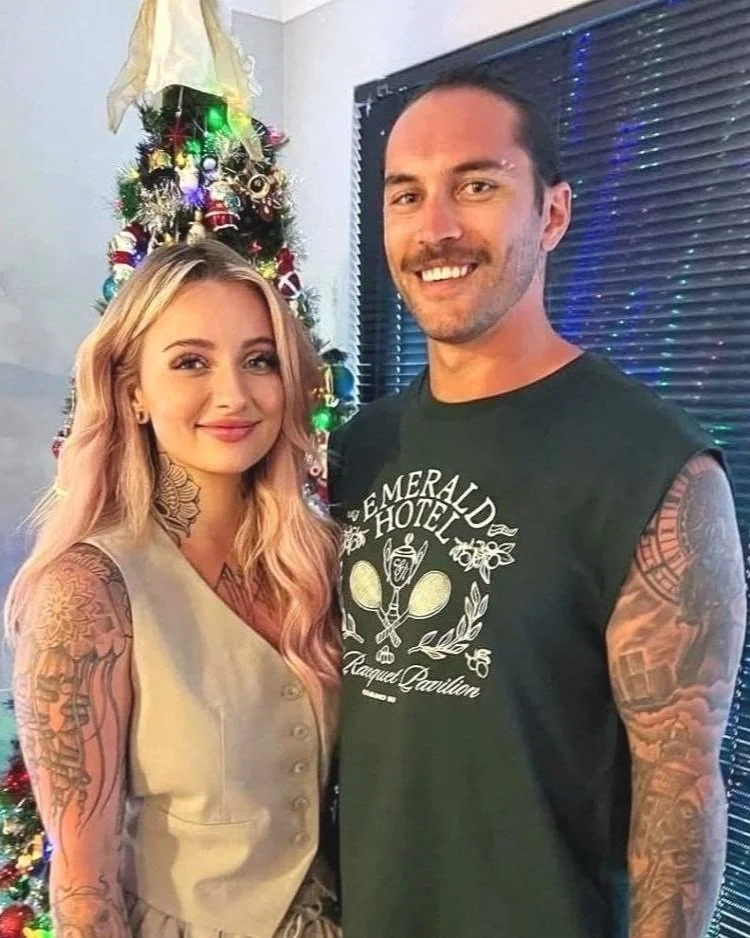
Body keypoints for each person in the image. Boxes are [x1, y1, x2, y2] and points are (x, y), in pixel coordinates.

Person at [328, 65, 746, 938]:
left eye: (476, 185)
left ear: (551, 213)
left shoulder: (652, 468)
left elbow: (680, 793)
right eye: (406, 196)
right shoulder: (359, 449)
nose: (435, 229)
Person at [5, 241, 342, 938]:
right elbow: (82, 887)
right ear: (133, 391)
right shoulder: (89, 591)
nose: (235, 395)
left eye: (260, 360)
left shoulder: (317, 561)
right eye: (191, 361)